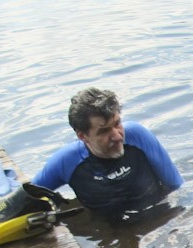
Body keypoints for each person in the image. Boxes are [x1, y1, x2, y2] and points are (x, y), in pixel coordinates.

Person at [32, 88, 184, 218]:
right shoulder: (66, 162)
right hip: (112, 231)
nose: (118, 136)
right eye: (104, 131)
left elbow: (176, 186)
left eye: (117, 124)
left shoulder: (138, 136)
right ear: (83, 136)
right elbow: (29, 195)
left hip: (159, 218)